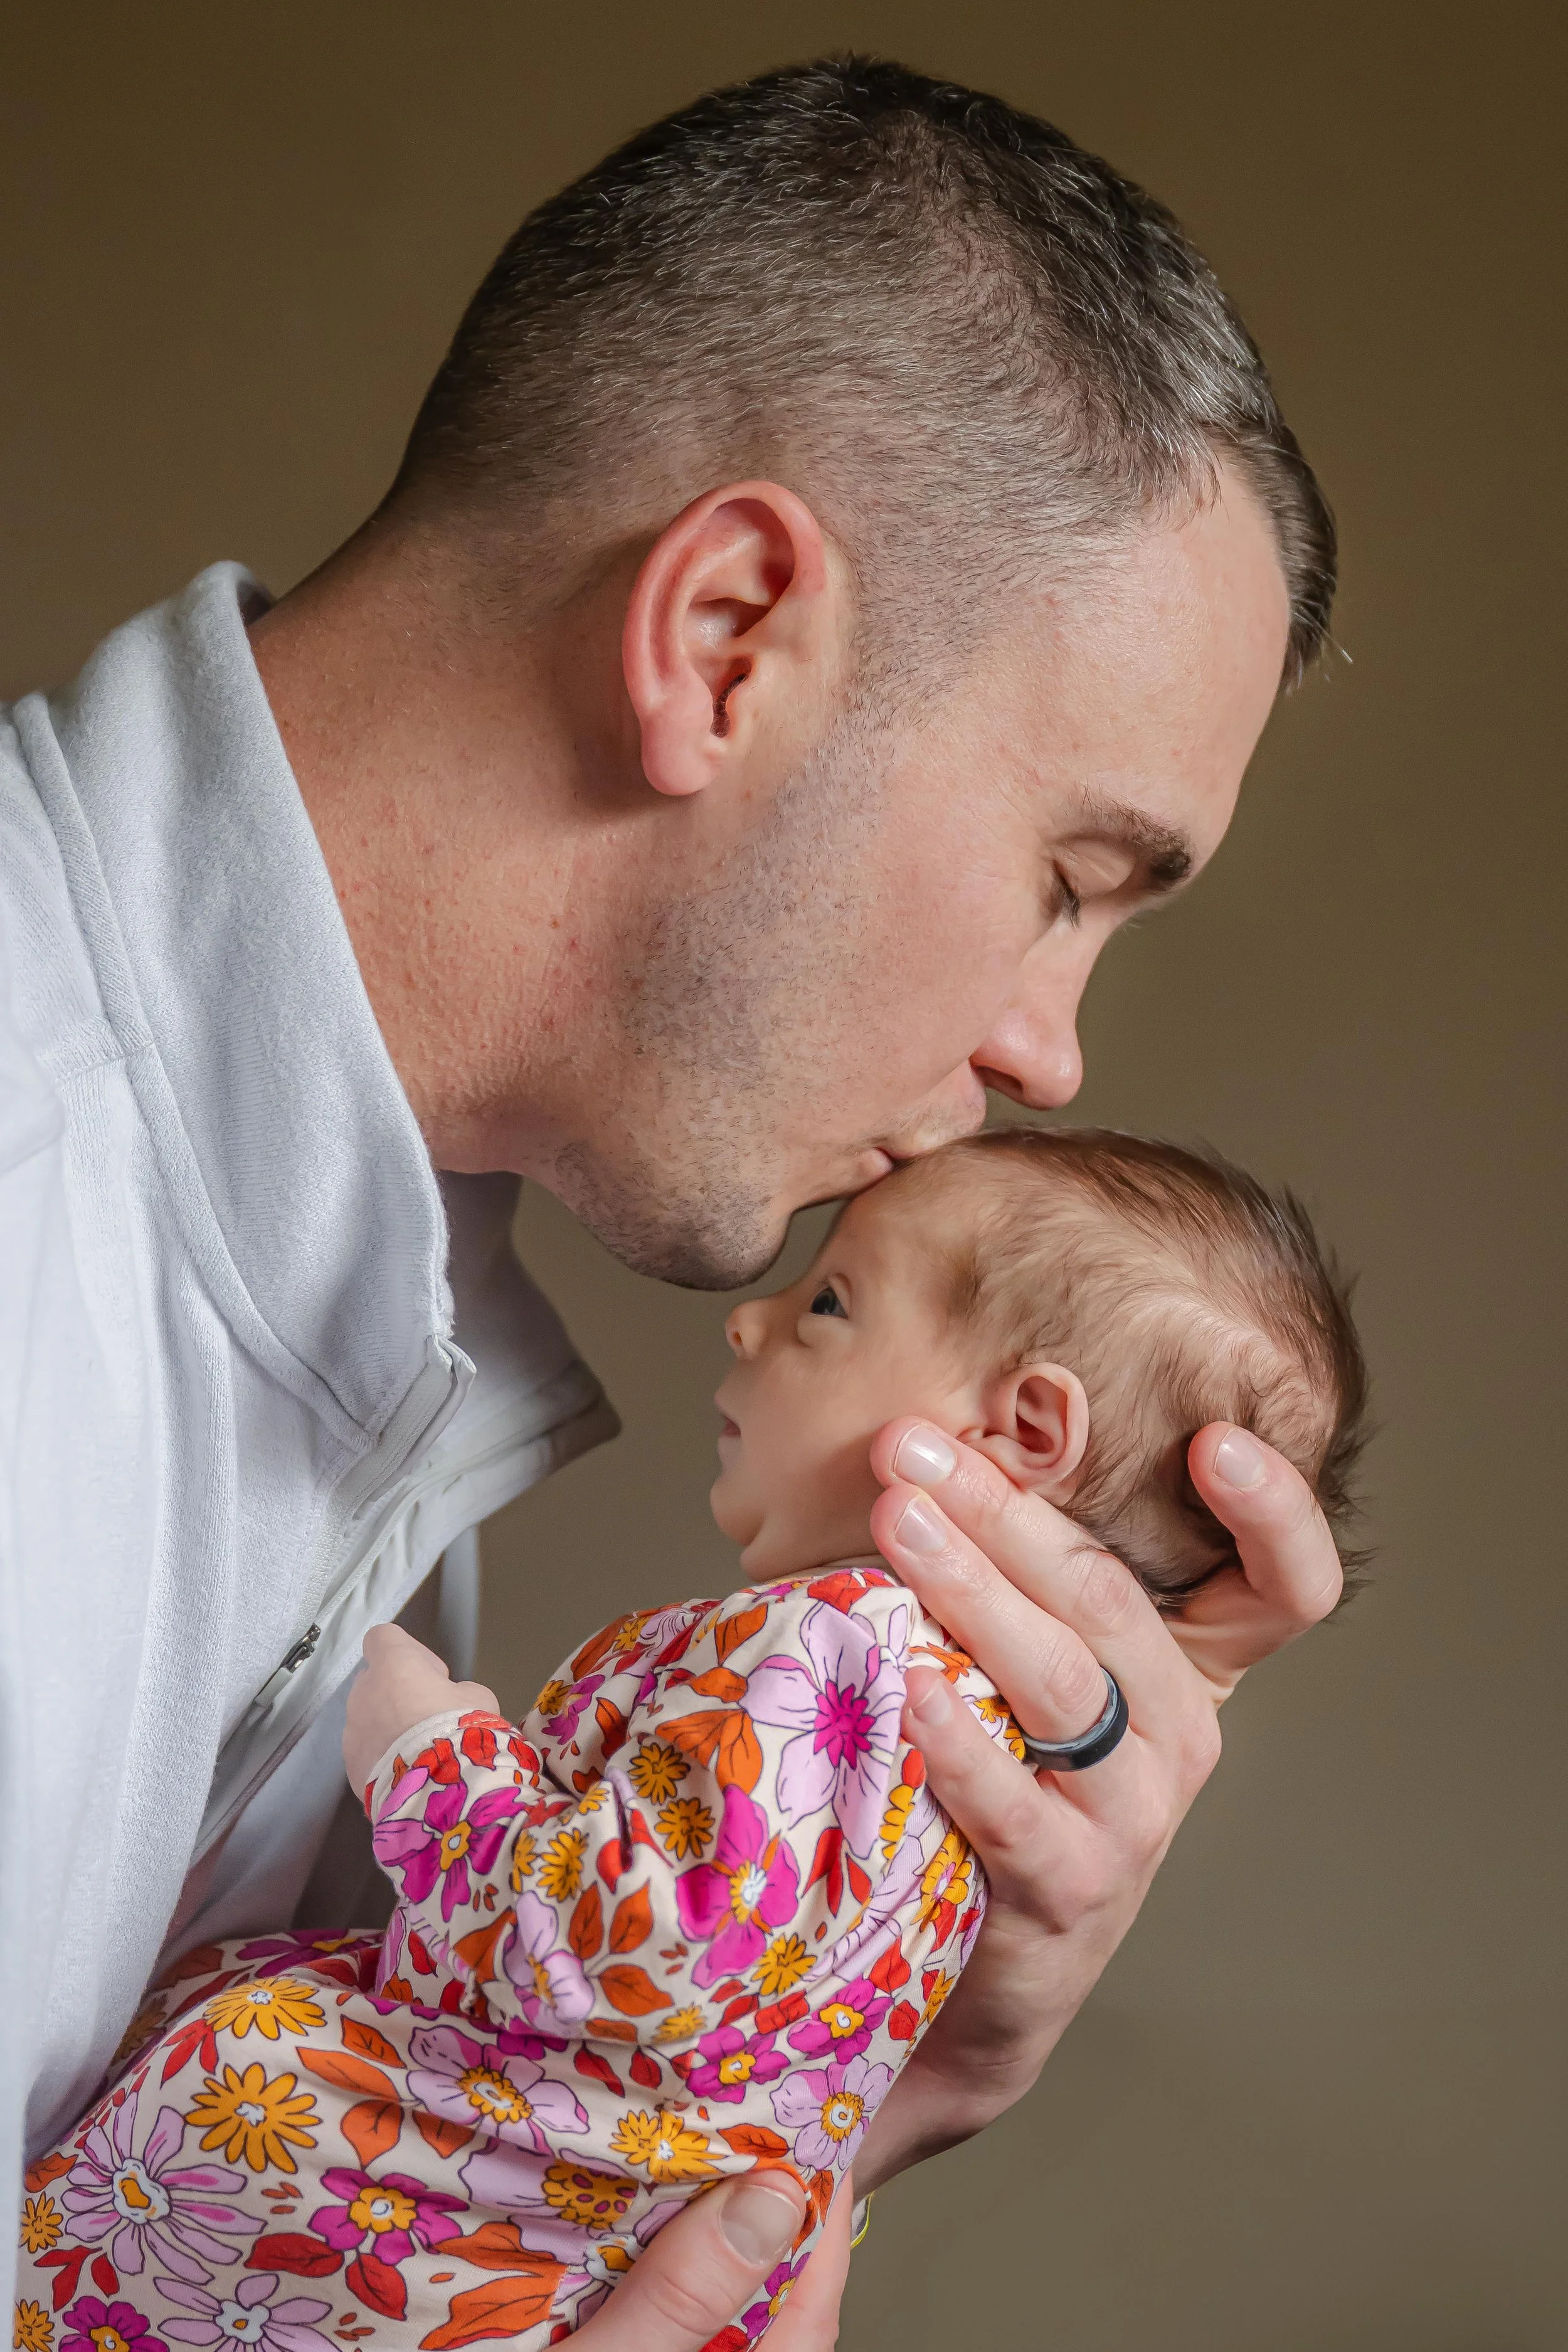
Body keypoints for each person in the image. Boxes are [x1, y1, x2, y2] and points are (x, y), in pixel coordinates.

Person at [0, 55, 1348, 2349]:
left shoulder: (383, 1307)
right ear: (726, 637)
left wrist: (852, 2058)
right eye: (1072, 879)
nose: (1055, 1049)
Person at [13, 1130, 1367, 2349]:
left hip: (387, 2219)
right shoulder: (990, 1744)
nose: (752, 1325)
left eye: (830, 1302)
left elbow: (628, 1943)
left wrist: (430, 1757)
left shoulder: (836, 1649)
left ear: (1017, 1430)